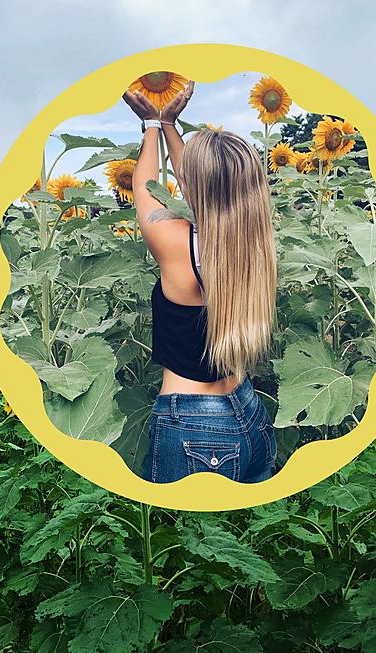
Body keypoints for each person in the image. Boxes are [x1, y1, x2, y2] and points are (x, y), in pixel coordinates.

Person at [122, 80, 278, 484]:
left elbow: (145, 188)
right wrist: (172, 125)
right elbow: (203, 187)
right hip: (248, 410)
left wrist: (152, 126)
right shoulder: (255, 246)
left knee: (181, 536)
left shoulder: (177, 245)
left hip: (191, 424)